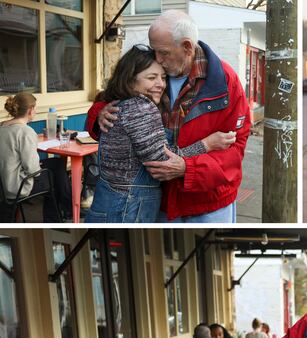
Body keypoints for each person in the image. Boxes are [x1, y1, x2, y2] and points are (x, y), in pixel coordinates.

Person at [97, 10, 250, 222]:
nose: (157, 59)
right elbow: (112, 97)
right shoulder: (148, 71)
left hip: (206, 203)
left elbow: (235, 147)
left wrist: (188, 168)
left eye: (164, 52)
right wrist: (99, 114)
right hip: (158, 202)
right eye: (154, 50)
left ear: (187, 47)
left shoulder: (225, 81)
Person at [86, 46, 231, 223]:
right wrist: (207, 144)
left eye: (163, 78)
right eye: (151, 77)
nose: (161, 84)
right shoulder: (141, 108)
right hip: (128, 207)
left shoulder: (119, 104)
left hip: (110, 202)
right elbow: (162, 162)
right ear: (130, 80)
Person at [0, 92, 71, 221]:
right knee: (53, 176)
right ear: (30, 110)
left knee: (56, 163)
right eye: (35, 108)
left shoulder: (2, 126)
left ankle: (67, 209)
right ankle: (58, 217)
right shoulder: (25, 132)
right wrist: (38, 165)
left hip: (3, 184)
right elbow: (34, 171)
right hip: (17, 187)